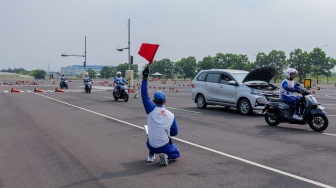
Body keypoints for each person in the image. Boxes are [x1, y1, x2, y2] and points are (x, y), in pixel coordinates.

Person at [141, 65, 180, 166]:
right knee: (175, 151)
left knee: (149, 135)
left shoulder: (151, 110)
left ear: (153, 101)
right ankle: (166, 156)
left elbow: (144, 95)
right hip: (164, 146)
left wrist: (145, 78)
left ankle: (151, 154)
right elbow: (174, 132)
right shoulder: (171, 115)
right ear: (165, 101)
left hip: (151, 145)